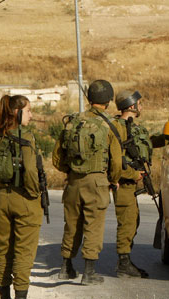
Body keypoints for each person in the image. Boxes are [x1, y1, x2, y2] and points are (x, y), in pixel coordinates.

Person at [53, 80, 122, 285]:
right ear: (108, 101)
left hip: (73, 181)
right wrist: (113, 179)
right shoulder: (111, 124)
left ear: (89, 99)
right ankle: (89, 272)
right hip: (97, 181)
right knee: (94, 225)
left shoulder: (73, 122)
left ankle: (66, 267)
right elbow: (116, 160)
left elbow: (57, 157)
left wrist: (71, 171)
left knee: (72, 224)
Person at [0, 95, 45, 299]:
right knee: (24, 252)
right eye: (28, 111)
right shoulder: (26, 137)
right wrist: (34, 194)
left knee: (4, 250)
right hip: (23, 198)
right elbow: (30, 171)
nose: (31, 115)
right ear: (18, 113)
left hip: (1, 197)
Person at [111, 90, 150, 278]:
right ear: (131, 106)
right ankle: (123, 264)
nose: (141, 106)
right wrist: (133, 174)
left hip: (131, 180)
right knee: (126, 222)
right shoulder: (118, 127)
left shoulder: (131, 126)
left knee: (133, 220)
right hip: (124, 181)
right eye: (139, 103)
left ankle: (125, 260)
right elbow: (116, 160)